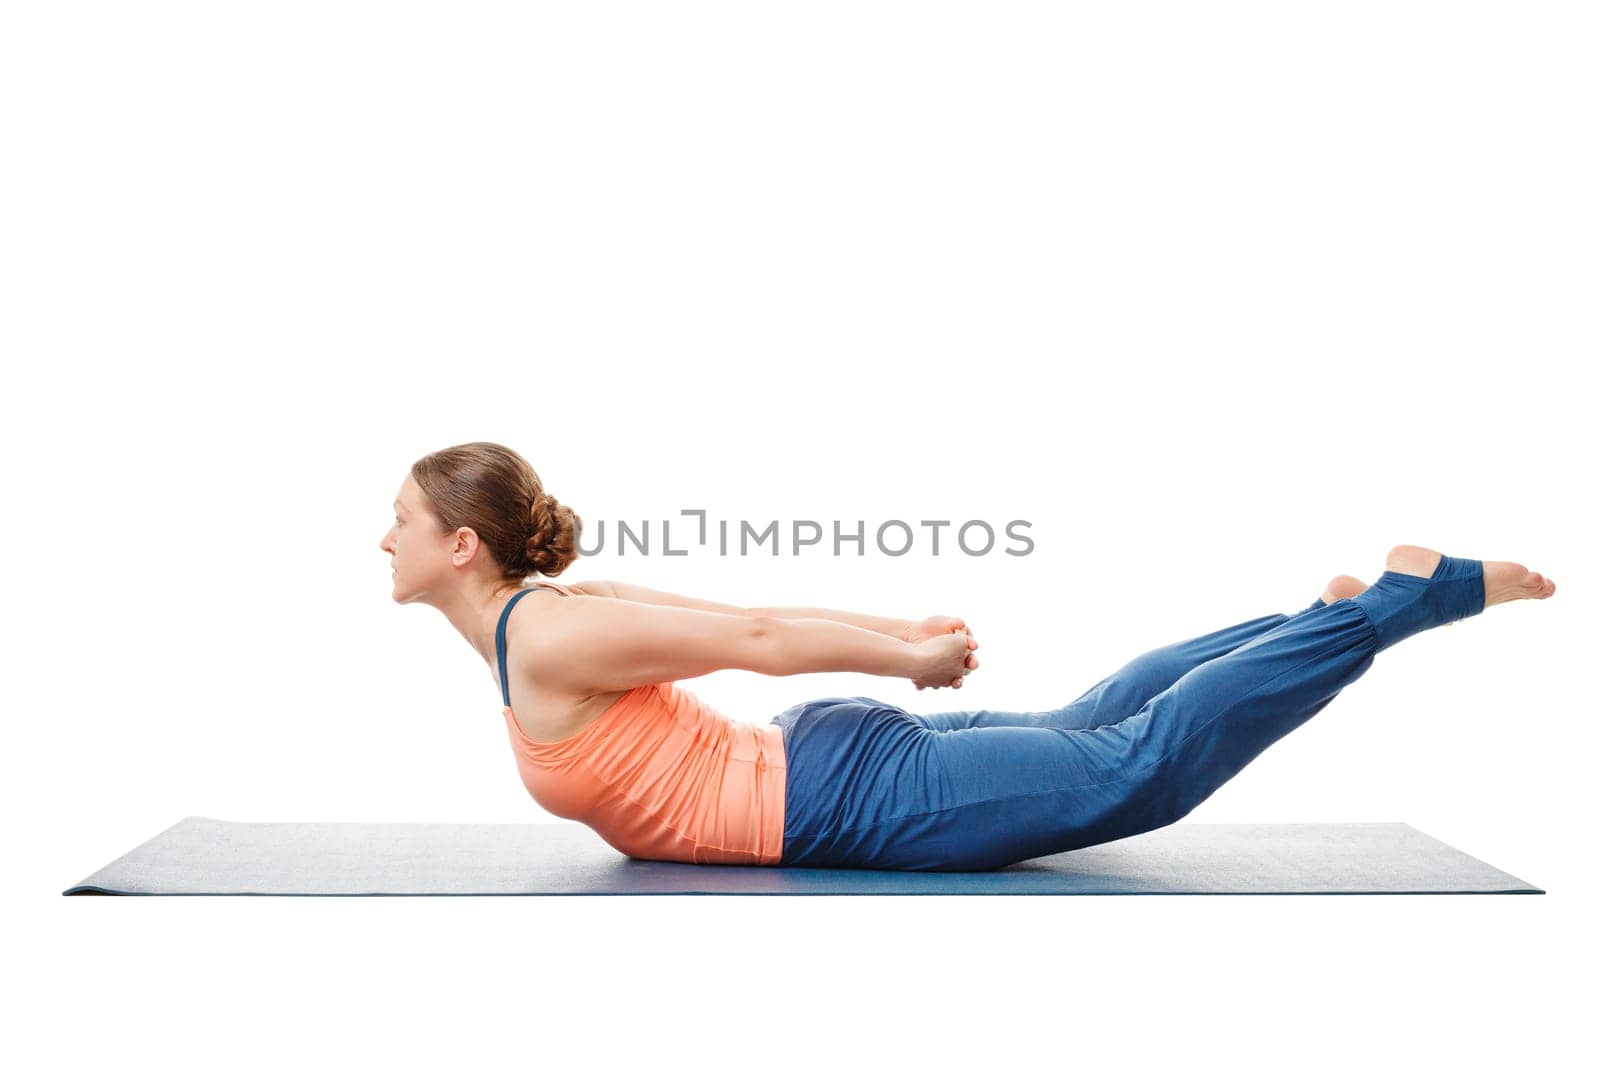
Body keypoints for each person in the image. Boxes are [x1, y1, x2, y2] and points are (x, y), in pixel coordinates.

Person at [382, 442, 1556, 872]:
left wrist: (907, 659)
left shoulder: (551, 630)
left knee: (1134, 766)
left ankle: (1392, 604)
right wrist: (898, 634)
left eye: (401, 517)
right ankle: (1325, 612)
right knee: (1096, 720)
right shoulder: (546, 616)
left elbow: (752, 637)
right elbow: (749, 615)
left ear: (460, 541)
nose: (384, 536)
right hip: (822, 771)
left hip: (840, 795)